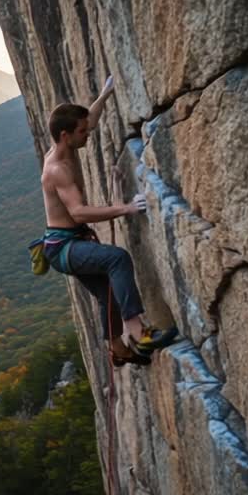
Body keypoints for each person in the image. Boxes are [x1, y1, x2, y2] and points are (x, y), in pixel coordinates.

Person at [39, 76, 177, 366]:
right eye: (82, 132)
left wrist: (105, 95)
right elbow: (78, 213)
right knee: (117, 259)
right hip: (64, 247)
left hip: (68, 242)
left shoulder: (66, 146)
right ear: (66, 135)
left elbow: (90, 119)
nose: (88, 134)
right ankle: (139, 334)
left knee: (108, 292)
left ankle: (118, 349)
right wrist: (125, 208)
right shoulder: (57, 169)